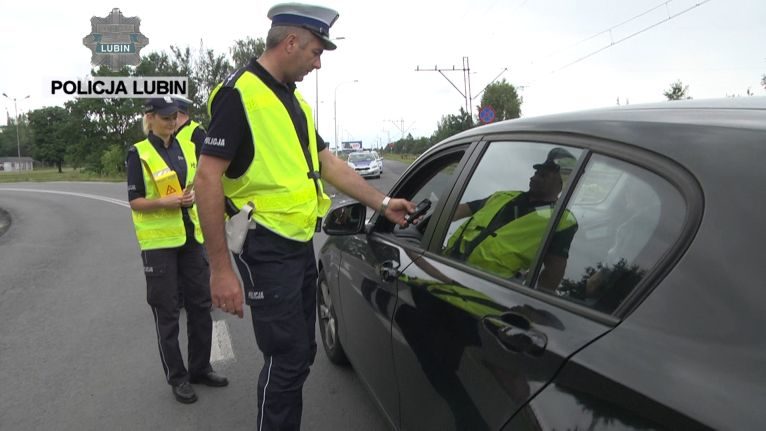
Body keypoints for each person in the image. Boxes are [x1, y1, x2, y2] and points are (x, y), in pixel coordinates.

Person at [193, 3, 415, 429]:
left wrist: (382, 203)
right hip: (264, 245)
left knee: (301, 355)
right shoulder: (240, 95)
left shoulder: (291, 101)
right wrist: (220, 269)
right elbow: (207, 179)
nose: (317, 63)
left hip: (295, 244)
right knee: (287, 359)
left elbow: (328, 164)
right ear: (290, 42)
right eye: (315, 52)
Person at [126, 97, 228, 405]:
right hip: (159, 246)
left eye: (176, 117)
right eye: (167, 117)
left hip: (190, 237)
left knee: (200, 304)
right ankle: (178, 377)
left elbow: (195, 184)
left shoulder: (185, 147)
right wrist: (165, 203)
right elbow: (135, 201)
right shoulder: (139, 153)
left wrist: (192, 196)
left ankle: (200, 368)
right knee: (167, 312)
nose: (173, 122)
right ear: (151, 118)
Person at [443, 148, 578, 290]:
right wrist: (430, 217)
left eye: (543, 175)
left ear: (561, 184)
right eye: (535, 173)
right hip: (447, 268)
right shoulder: (503, 196)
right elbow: (459, 210)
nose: (533, 178)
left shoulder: (561, 220)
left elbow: (554, 271)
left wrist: (532, 305)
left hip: (486, 290)